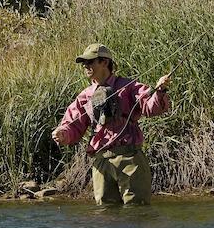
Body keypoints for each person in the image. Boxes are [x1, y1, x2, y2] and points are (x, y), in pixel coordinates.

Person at [51, 43, 171, 205]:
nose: (86, 66)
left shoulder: (128, 87)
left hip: (130, 159)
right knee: (106, 215)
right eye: (84, 63)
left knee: (137, 212)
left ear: (105, 62)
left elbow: (151, 108)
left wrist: (160, 91)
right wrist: (62, 133)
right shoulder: (85, 96)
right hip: (102, 162)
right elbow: (73, 125)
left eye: (90, 62)